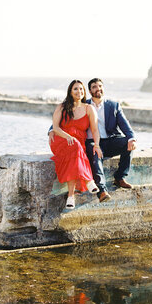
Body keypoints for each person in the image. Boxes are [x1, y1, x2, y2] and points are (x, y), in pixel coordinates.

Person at [50, 80, 103, 209]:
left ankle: (70, 196)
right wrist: (68, 136)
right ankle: (88, 180)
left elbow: (95, 130)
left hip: (78, 143)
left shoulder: (89, 108)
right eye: (75, 89)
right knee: (76, 145)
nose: (79, 91)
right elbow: (55, 127)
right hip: (61, 139)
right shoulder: (62, 107)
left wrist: (96, 145)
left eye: (81, 89)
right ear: (70, 91)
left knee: (76, 151)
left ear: (84, 92)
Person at [85, 78, 136, 202]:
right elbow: (66, 117)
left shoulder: (113, 105)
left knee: (127, 143)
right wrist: (53, 129)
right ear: (90, 90)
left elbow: (125, 124)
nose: (98, 89)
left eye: (100, 86)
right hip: (93, 142)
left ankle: (119, 178)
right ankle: (102, 191)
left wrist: (131, 138)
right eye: (94, 87)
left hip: (110, 140)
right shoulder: (84, 105)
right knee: (95, 152)